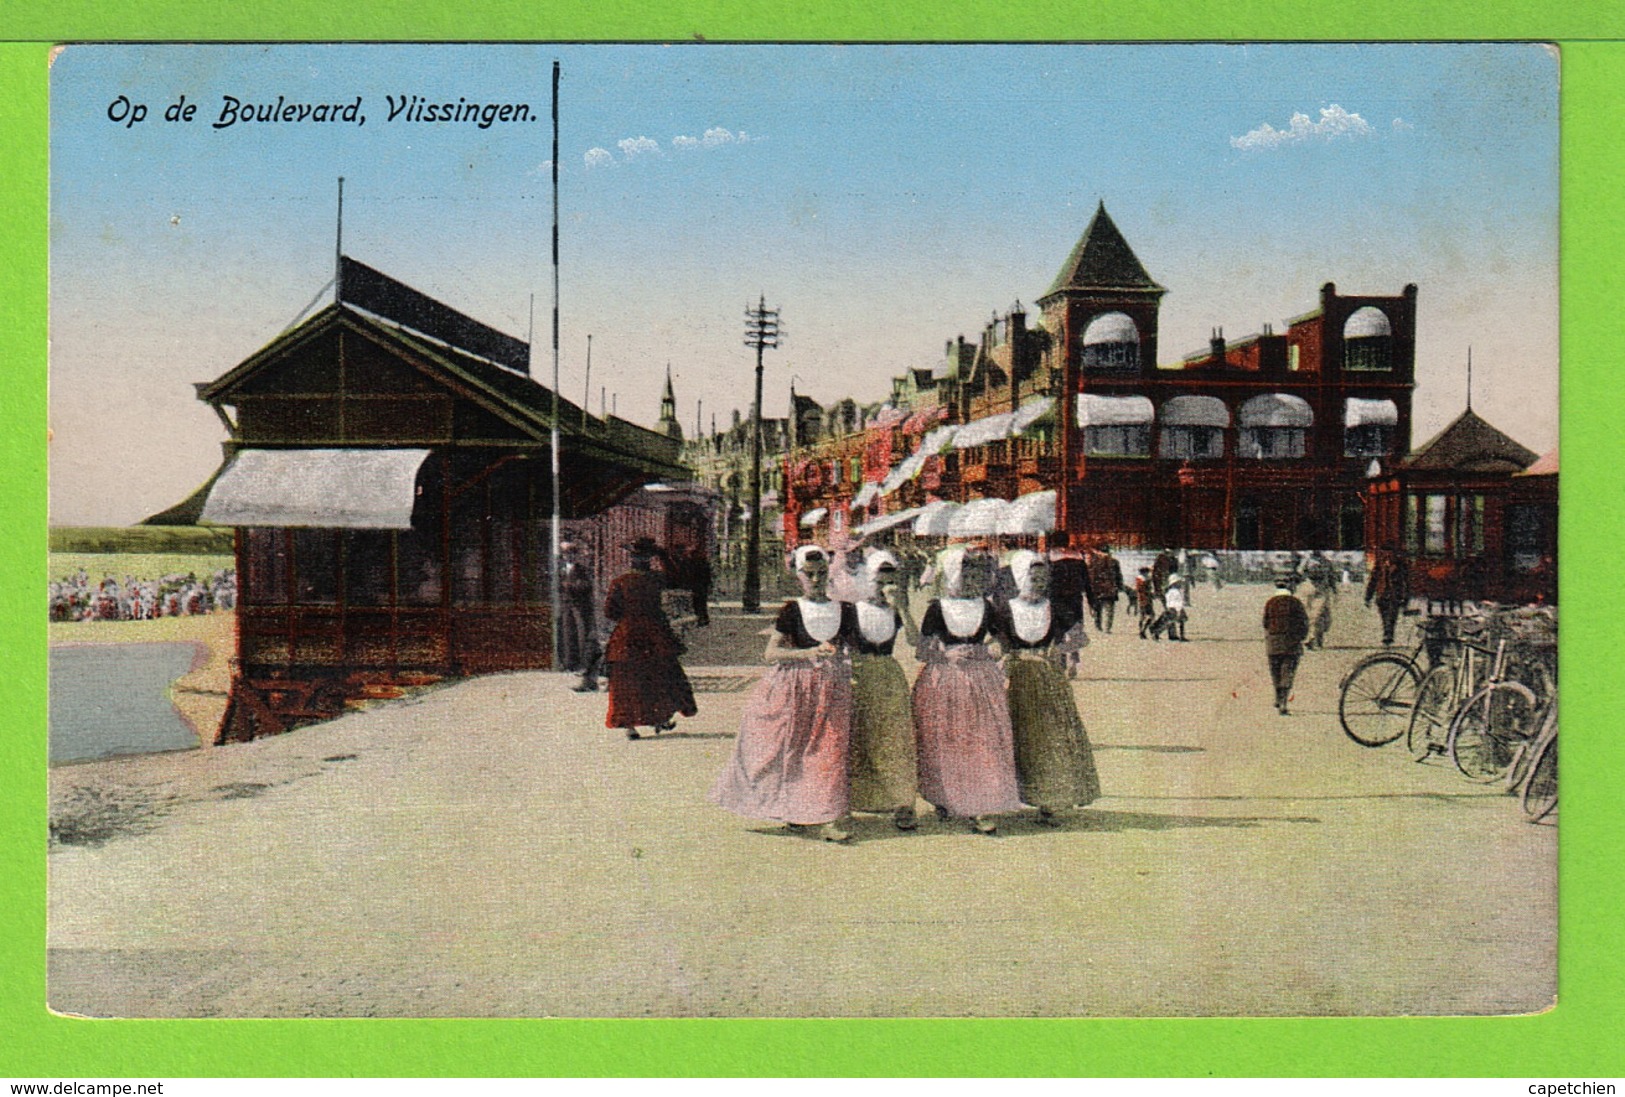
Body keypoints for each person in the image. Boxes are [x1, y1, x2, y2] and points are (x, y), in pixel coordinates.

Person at [711, 545, 857, 843]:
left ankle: (827, 817)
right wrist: (809, 652)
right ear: (799, 577)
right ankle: (795, 811)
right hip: (794, 689)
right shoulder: (792, 610)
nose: (816, 580)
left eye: (821, 574)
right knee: (791, 751)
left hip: (832, 689)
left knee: (828, 751)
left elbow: (852, 650)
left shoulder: (844, 610)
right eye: (809, 575)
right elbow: (771, 652)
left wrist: (846, 663)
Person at [912, 547, 1023, 835]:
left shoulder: (987, 607)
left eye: (977, 575)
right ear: (952, 576)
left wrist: (987, 650)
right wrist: (946, 655)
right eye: (966, 575)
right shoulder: (937, 608)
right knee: (947, 740)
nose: (973, 580)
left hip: (980, 679)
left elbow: (1002, 642)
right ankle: (947, 796)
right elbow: (922, 651)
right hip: (945, 680)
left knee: (983, 740)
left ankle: (981, 805)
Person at [994, 550, 1101, 826]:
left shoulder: (1056, 607)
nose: (1039, 584)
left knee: (1049, 738)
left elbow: (1081, 637)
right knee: (1015, 736)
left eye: (1043, 579)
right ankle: (1008, 796)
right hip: (1015, 680)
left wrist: (1062, 648)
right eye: (1033, 578)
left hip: (1048, 679)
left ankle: (1048, 800)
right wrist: (1001, 654)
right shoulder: (1005, 609)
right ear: (1019, 578)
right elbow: (995, 642)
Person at [847, 550, 921, 831]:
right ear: (869, 581)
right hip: (860, 675)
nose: (885, 589)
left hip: (888, 675)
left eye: (891, 583)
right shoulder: (853, 611)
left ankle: (903, 803)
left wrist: (902, 607)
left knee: (894, 739)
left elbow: (916, 642)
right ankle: (856, 801)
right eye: (880, 583)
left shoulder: (896, 612)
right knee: (859, 736)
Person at [602, 537, 698, 740]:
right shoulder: (656, 579)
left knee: (627, 681)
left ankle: (629, 725)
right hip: (656, 634)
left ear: (631, 560)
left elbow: (610, 612)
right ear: (650, 559)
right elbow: (679, 578)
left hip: (627, 636)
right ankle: (659, 717)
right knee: (659, 676)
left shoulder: (620, 582)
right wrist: (664, 556)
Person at [1263, 574, 1311, 715]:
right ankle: (1283, 701)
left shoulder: (1270, 602)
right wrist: (1301, 638)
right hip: (1291, 643)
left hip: (1273, 643)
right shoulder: (1295, 603)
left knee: (1275, 672)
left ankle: (1278, 698)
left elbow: (1265, 623)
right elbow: (1304, 623)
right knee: (1287, 673)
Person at [558, 541, 598, 679]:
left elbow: (587, 585)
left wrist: (572, 586)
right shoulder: (559, 569)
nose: (568, 556)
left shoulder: (581, 569)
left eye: (571, 553)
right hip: (566, 605)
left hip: (579, 605)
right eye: (565, 553)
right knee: (567, 633)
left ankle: (583, 663)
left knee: (581, 633)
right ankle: (569, 663)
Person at [1365, 550, 1409, 647]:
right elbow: (1373, 581)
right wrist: (1368, 596)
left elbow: (1406, 582)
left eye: (1390, 553)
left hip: (1395, 595)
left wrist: (1405, 597)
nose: (1388, 555)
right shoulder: (1379, 565)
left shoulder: (1400, 565)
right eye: (1386, 553)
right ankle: (1387, 633)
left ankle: (1389, 634)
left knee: (1392, 615)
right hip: (1382, 594)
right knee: (1384, 616)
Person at [1301, 550, 1337, 650]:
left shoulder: (1326, 562)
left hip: (1322, 590)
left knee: (1317, 616)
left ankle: (1313, 639)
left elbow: (1331, 577)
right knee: (1309, 616)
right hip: (1309, 589)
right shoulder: (1306, 560)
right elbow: (1300, 573)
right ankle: (1313, 639)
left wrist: (1334, 591)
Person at [1086, 545, 1123, 634]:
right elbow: (1118, 576)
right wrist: (1120, 587)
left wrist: (1087, 588)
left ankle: (1098, 626)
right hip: (1110, 589)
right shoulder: (1114, 561)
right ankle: (1107, 628)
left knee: (1097, 609)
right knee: (1109, 610)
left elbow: (1089, 576)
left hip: (1096, 589)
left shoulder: (1093, 562)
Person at [1154, 573, 1189, 641]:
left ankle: (1157, 633)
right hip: (1176, 609)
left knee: (1168, 622)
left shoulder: (1169, 591)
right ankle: (1182, 636)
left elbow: (1168, 601)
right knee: (1180, 622)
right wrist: (1179, 610)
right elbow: (1178, 602)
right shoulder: (1177, 592)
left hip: (1170, 608)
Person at [1135, 567, 1156, 639]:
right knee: (1151, 615)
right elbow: (1147, 590)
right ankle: (1144, 630)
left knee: (1142, 616)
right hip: (1147, 599)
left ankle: (1141, 630)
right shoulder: (1145, 580)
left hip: (1140, 599)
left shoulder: (1138, 579)